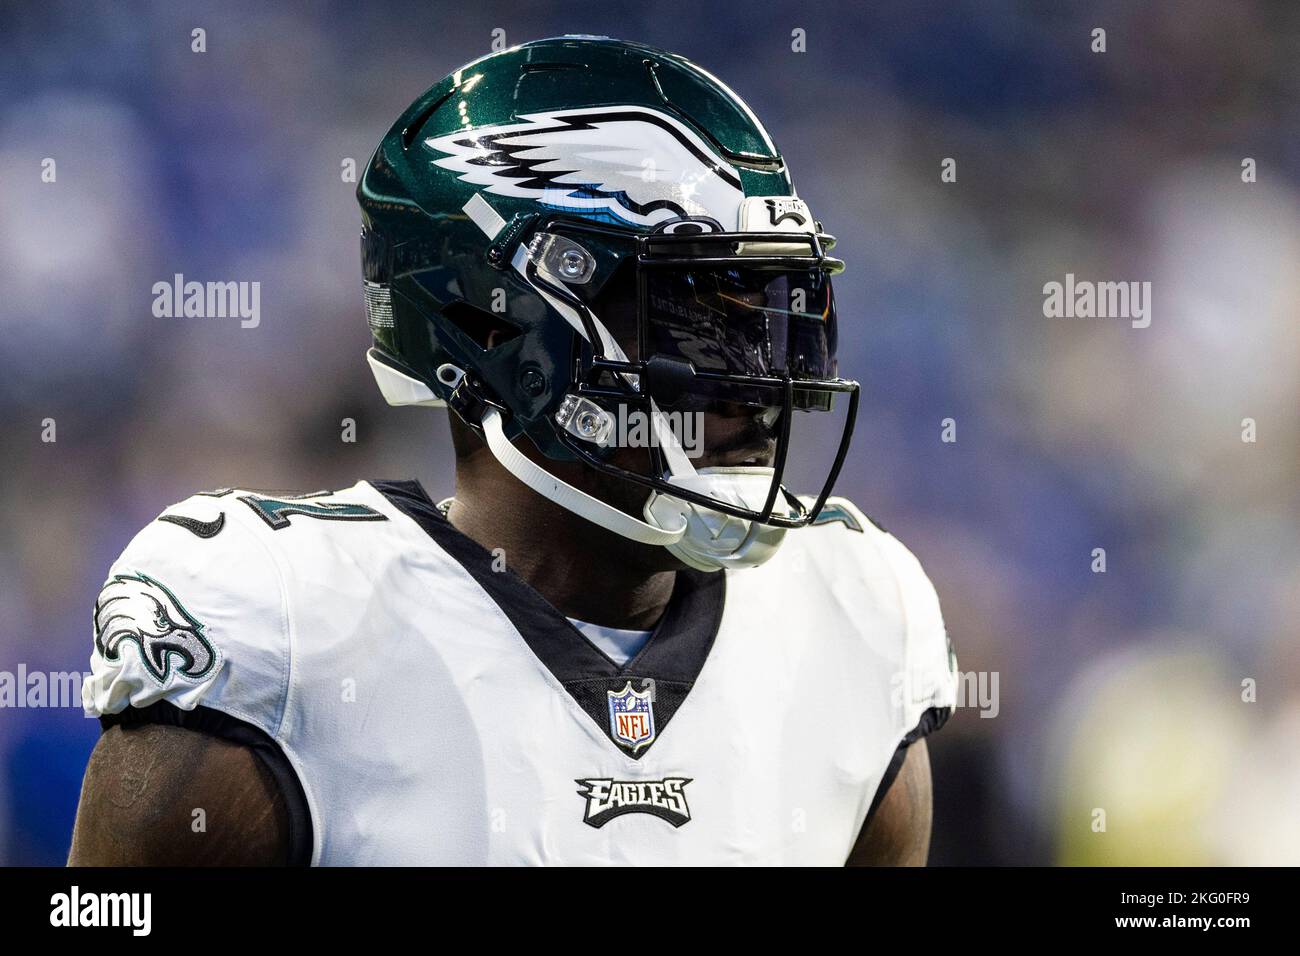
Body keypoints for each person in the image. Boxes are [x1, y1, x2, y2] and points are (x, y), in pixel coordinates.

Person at [69, 36, 957, 866]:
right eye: (696, 320)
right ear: (493, 323)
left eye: (772, 315)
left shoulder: (856, 617)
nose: (762, 380)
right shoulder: (286, 631)